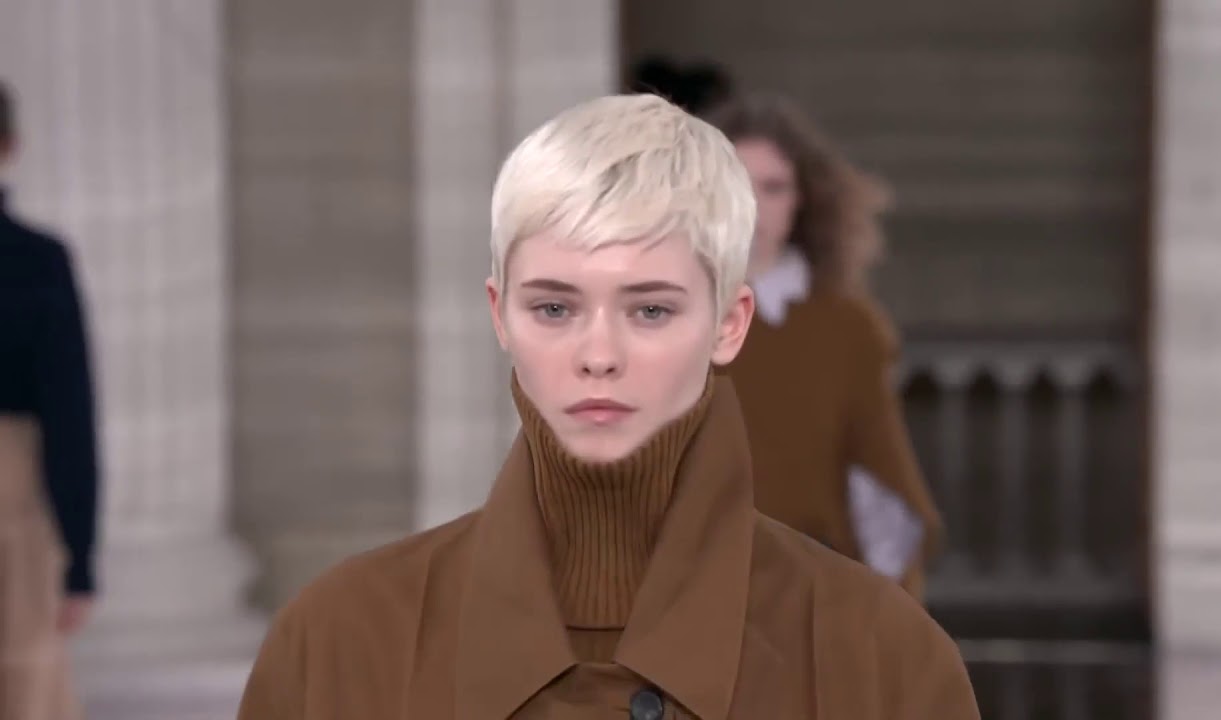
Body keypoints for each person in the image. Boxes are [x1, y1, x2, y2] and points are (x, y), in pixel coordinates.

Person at [237, 93, 977, 718]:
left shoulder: (883, 664)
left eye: (650, 310)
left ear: (729, 324)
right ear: (500, 316)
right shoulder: (336, 646)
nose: (598, 354)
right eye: (554, 308)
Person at [703, 93, 944, 599]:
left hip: (806, 591)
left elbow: (876, 482)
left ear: (802, 199)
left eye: (773, 187)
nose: (755, 206)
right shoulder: (661, 315)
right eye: (737, 185)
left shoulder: (847, 328)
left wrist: (880, 610)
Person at [0, 80, 98, 720]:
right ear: (10, 147)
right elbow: (69, 415)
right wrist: (80, 561)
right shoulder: (36, 261)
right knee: (22, 680)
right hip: (12, 492)